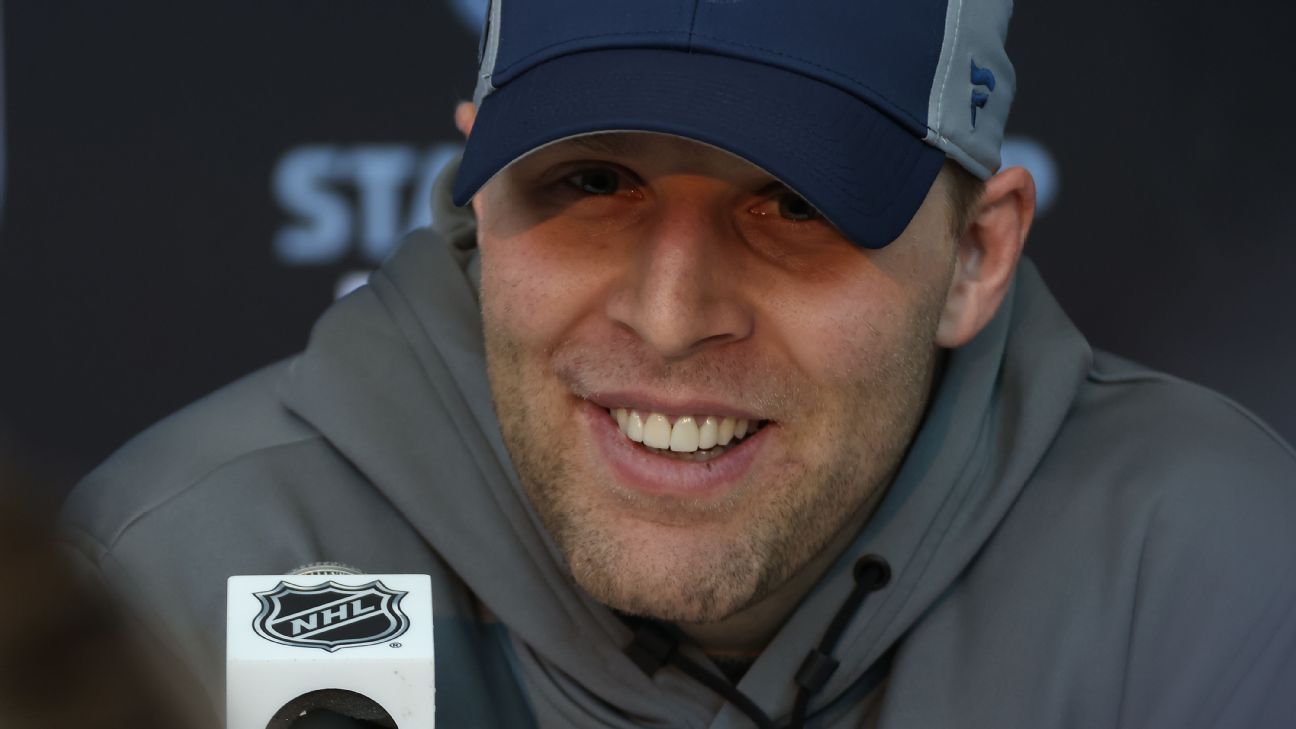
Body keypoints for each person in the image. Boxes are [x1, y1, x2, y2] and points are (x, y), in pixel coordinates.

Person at [62, 1, 1296, 727]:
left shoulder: (1204, 576)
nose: (668, 317)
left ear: (977, 255)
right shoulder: (186, 564)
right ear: (479, 205)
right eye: (592, 183)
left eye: (796, 206)